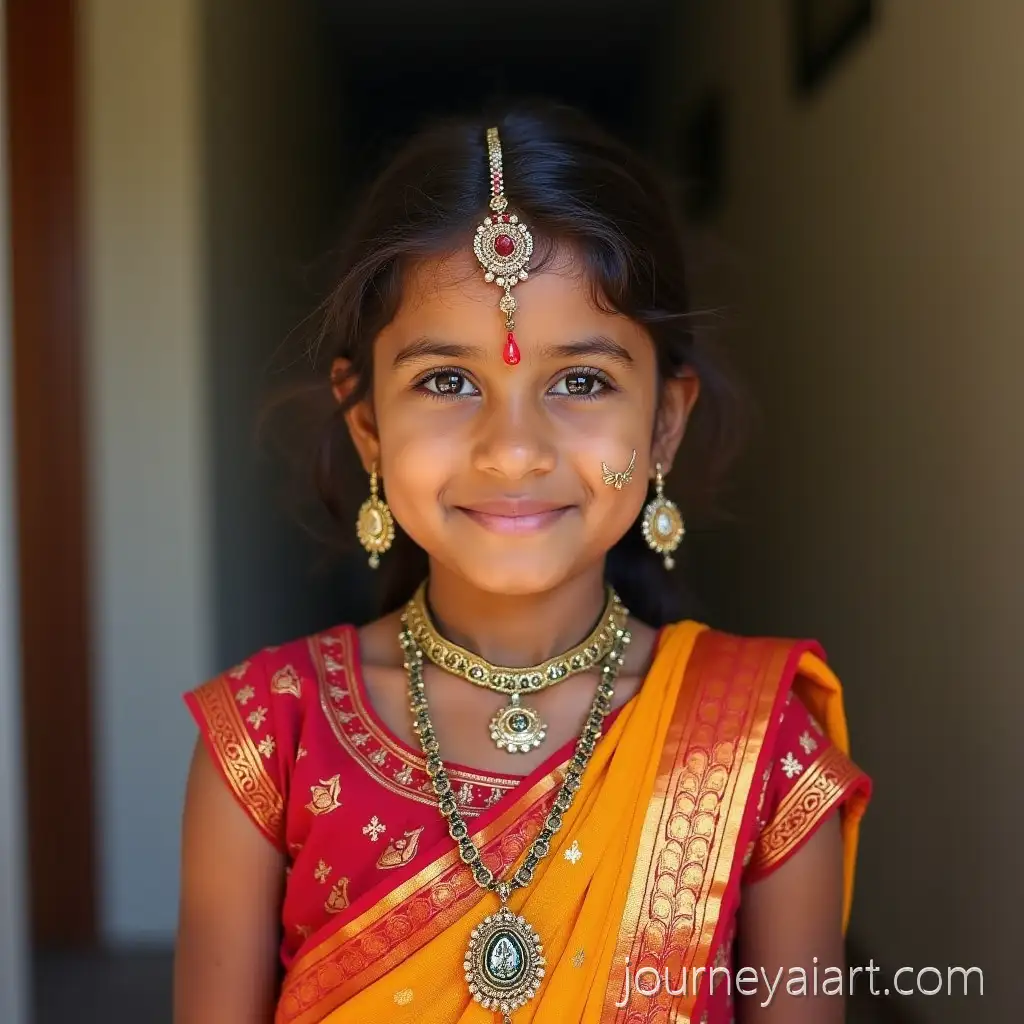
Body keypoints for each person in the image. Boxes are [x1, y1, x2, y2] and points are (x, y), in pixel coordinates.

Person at [174, 104, 871, 1024]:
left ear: (665, 418)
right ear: (367, 422)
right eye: (447, 381)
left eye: (581, 381)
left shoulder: (759, 747)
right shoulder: (270, 743)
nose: (513, 450)